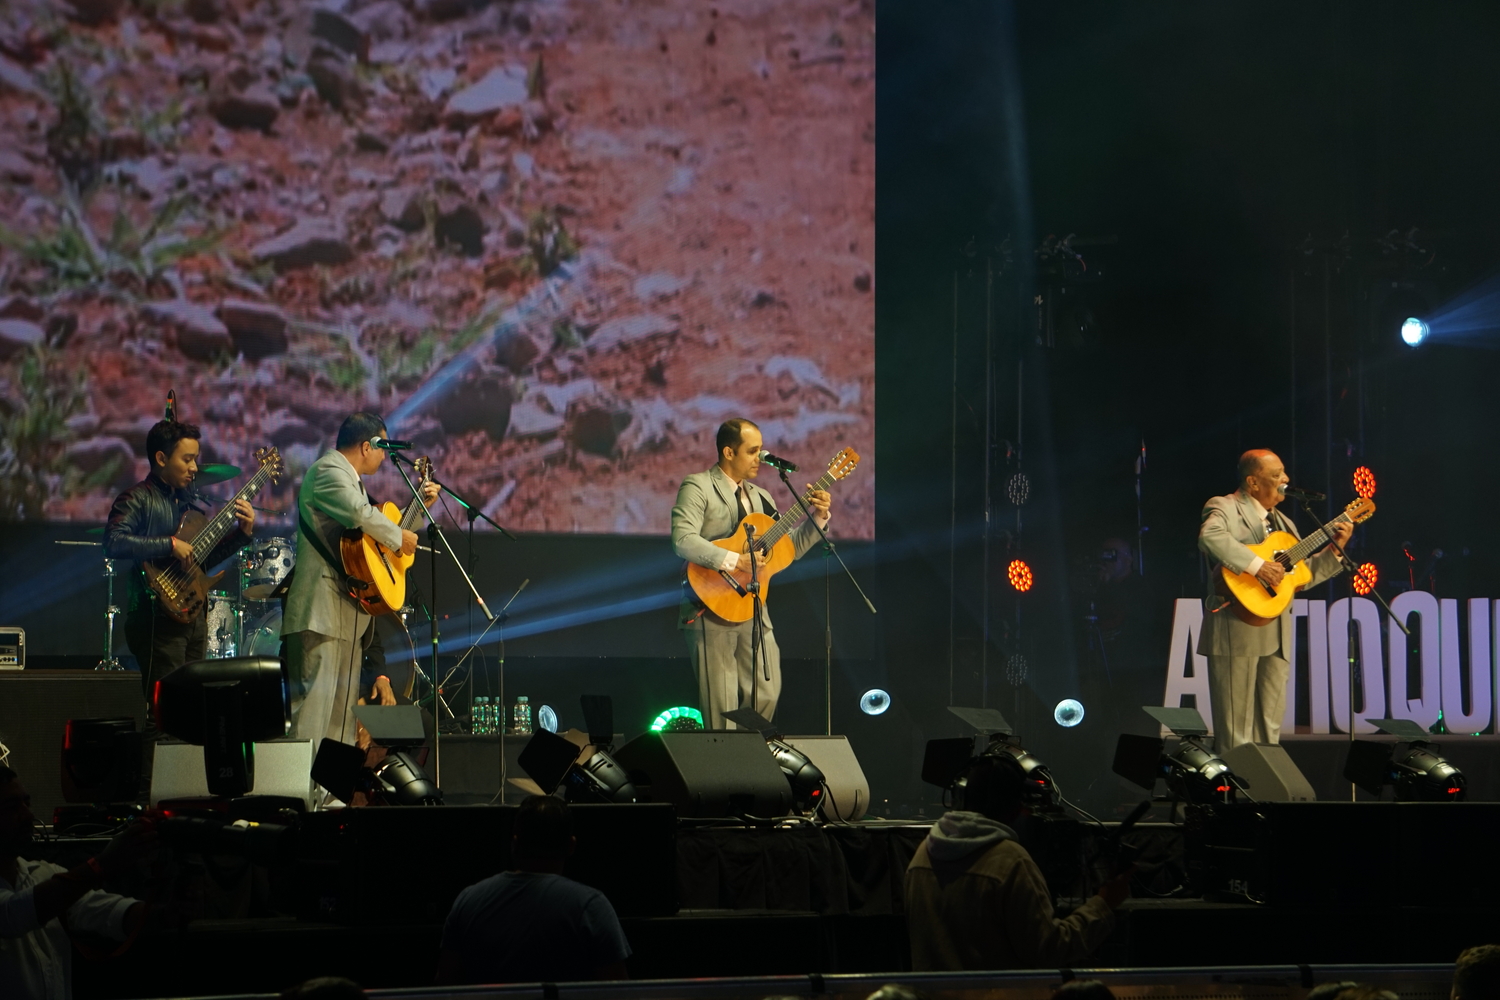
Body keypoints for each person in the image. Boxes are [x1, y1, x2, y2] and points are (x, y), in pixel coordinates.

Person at [281, 413, 437, 750]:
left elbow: (370, 545)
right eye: (381, 449)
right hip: (320, 611)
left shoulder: (353, 481)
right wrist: (399, 537)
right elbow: (360, 515)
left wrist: (418, 509)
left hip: (347, 615)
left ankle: (330, 801)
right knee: (314, 715)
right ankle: (302, 800)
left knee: (340, 722)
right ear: (367, 446)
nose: (384, 457)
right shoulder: (328, 471)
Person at [670, 418, 831, 728]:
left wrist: (819, 517)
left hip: (753, 609)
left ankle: (748, 757)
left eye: (761, 450)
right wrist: (735, 560)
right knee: (722, 705)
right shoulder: (698, 485)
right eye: (753, 451)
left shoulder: (761, 497)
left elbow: (789, 549)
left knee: (767, 693)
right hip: (710, 605)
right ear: (729, 453)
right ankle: (724, 770)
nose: (760, 458)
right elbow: (683, 540)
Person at [904, 754, 1129, 971]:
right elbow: (1049, 950)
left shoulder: (924, 853)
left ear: (961, 797)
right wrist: (1104, 904)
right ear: (1016, 807)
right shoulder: (1010, 861)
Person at [1197, 449, 1351, 754]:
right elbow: (1210, 536)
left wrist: (1335, 551)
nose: (1286, 479)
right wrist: (1258, 566)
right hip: (1236, 627)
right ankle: (1233, 796)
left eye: (1284, 473)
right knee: (1235, 729)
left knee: (1269, 727)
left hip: (1277, 632)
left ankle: (1265, 794)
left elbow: (1299, 578)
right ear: (1253, 482)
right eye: (1277, 474)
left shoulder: (1284, 524)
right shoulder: (1225, 507)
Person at [105, 418, 255, 703]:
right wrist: (170, 544)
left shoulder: (187, 505)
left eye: (195, 459)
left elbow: (201, 562)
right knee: (162, 715)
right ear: (161, 458)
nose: (195, 468)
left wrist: (242, 535)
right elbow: (113, 542)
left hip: (191, 617)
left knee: (188, 712)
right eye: (187, 459)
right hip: (155, 618)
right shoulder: (136, 498)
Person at [435, 795, 630, 984]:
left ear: (514, 843)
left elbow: (446, 985)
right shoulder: (591, 907)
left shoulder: (468, 900)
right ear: (571, 846)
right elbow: (617, 990)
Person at [0, 766, 156, 1000]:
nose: (28, 815)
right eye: (13, 807)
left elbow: (106, 911)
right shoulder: (50, 885)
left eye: (27, 803)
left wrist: (165, 913)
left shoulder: (44, 874)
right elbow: (13, 914)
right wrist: (102, 864)